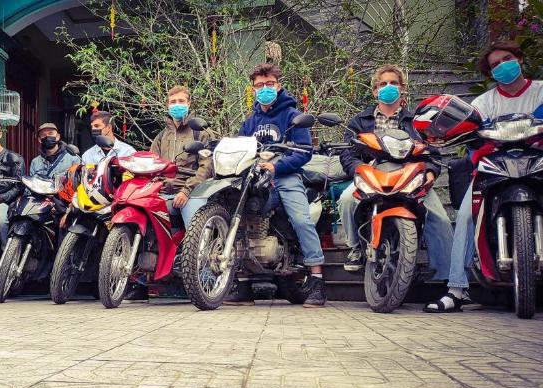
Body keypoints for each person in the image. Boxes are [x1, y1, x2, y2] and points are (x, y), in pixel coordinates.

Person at [425, 41, 543, 312]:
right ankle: (456, 289)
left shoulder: (541, 92)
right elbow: (472, 142)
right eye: (495, 65)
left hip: (538, 165)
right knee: (466, 216)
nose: (503, 66)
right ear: (490, 73)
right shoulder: (482, 103)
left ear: (520, 59)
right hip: (493, 170)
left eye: (507, 59)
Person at [337, 64, 453, 280]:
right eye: (383, 84)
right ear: (374, 90)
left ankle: (447, 279)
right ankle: (355, 248)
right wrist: (357, 169)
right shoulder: (359, 121)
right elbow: (347, 153)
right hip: (371, 173)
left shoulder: (417, 122)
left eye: (393, 83)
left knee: (440, 218)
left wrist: (430, 171)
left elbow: (432, 151)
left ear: (402, 88)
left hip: (410, 175)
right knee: (346, 200)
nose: (388, 87)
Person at [229, 63, 325, 307]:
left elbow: (304, 153)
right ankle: (243, 280)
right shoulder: (250, 123)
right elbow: (240, 148)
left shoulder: (292, 117)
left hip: (285, 176)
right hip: (254, 177)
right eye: (259, 85)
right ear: (252, 89)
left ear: (278, 86)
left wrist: (276, 166)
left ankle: (317, 279)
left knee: (301, 219)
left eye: (269, 84)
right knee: (237, 216)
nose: (264, 89)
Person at [150, 85, 219, 227]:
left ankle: (201, 249)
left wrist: (186, 191)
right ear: (167, 105)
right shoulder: (161, 137)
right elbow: (151, 166)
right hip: (162, 192)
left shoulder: (201, 132)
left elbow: (206, 167)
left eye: (181, 101)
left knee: (195, 235)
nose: (177, 105)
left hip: (193, 192)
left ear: (189, 104)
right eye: (173, 102)